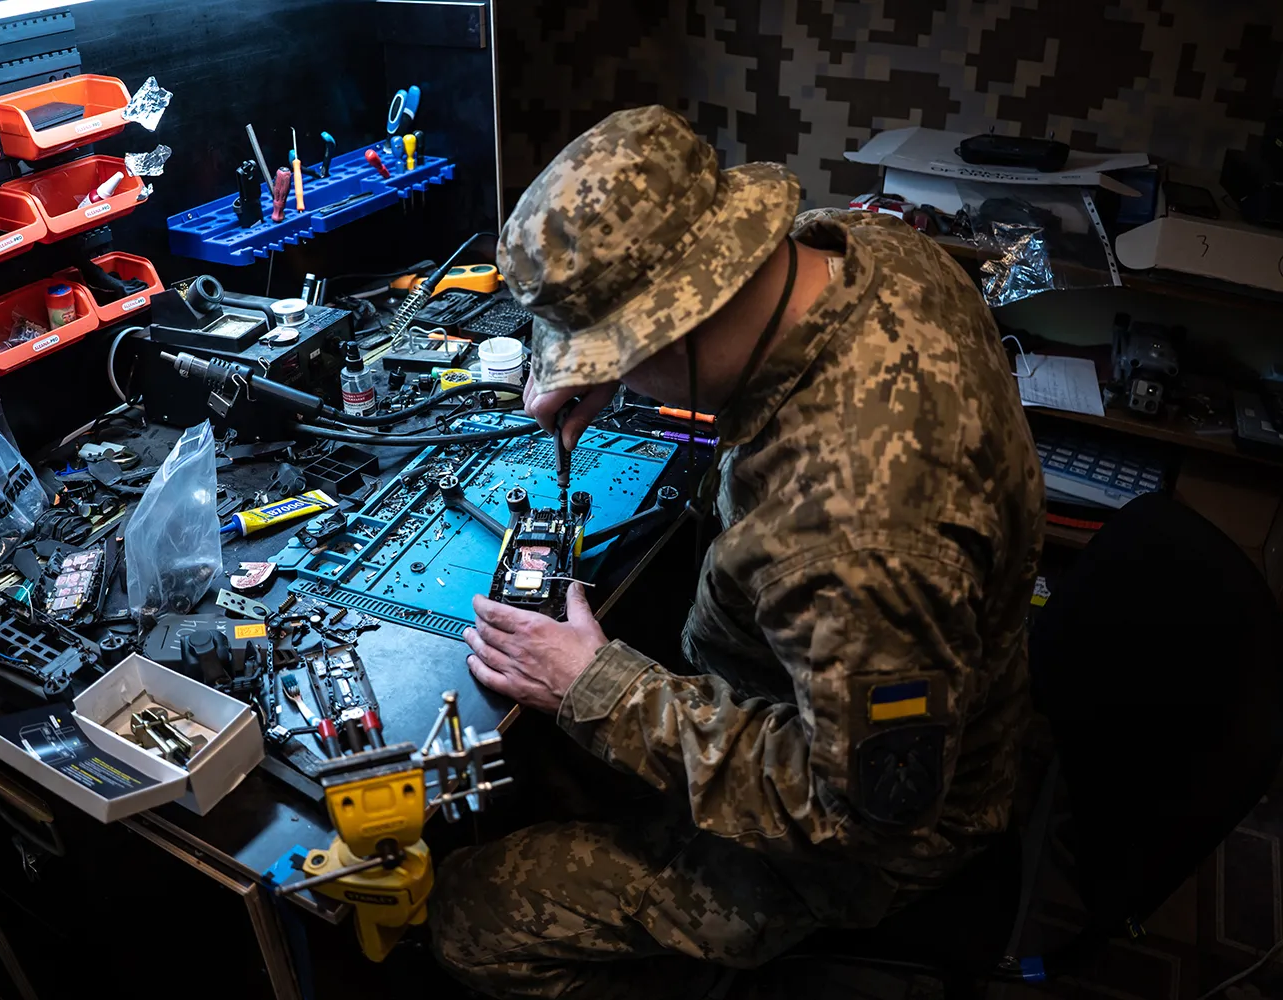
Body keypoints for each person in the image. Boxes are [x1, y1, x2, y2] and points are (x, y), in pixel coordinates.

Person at [429, 105, 1045, 999]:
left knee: (471, 917)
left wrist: (598, 687)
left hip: (872, 843)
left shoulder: (857, 540)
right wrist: (614, 355)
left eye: (617, 350)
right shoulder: (875, 252)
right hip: (847, 689)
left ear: (673, 330)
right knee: (549, 763)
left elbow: (863, 816)